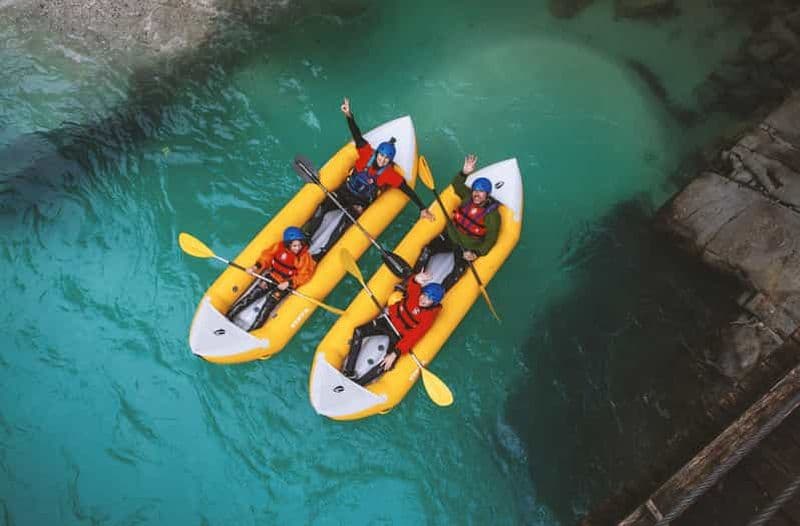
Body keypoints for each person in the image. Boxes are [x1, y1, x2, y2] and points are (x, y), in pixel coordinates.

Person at [304, 97, 434, 259]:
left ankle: (322, 252)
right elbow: (357, 135)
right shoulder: (366, 152)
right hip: (345, 191)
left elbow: (406, 189)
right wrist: (349, 115)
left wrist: (422, 208)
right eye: (381, 156)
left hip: (359, 202)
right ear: (377, 153)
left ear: (390, 161)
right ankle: (307, 235)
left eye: (386, 159)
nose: (382, 160)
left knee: (343, 222)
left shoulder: (390, 174)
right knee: (323, 207)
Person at [342, 271, 444, 386]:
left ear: (433, 303)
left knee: (387, 363)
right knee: (359, 331)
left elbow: (414, 336)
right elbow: (413, 286)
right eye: (424, 294)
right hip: (388, 321)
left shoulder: (428, 317)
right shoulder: (416, 295)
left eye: (429, 299)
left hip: (399, 335)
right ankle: (349, 371)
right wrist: (416, 279)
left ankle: (359, 383)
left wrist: (395, 353)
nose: (423, 299)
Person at [415, 154, 500, 290]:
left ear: (487, 195)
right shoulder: (468, 197)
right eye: (475, 191)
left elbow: (490, 240)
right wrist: (464, 172)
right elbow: (457, 185)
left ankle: (440, 292)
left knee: (459, 271)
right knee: (427, 250)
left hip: (467, 247)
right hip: (451, 236)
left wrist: (476, 253)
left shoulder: (492, 216)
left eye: (481, 192)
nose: (477, 194)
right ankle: (414, 278)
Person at [226, 227, 316, 331]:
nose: (298, 248)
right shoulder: (278, 247)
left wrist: (289, 282)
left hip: (285, 284)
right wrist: (255, 267)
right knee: (253, 295)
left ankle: (254, 330)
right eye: (294, 246)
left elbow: (305, 275)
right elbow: (266, 257)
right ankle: (229, 315)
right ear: (288, 244)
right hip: (272, 276)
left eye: (299, 245)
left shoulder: (304, 257)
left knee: (268, 305)